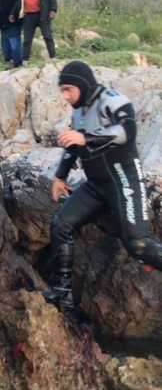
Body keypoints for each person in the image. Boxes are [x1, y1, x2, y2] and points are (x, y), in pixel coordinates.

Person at [44, 61, 162, 308]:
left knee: (138, 245)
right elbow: (73, 147)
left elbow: (128, 130)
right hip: (96, 186)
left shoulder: (113, 100)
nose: (65, 96)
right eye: (62, 91)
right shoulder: (78, 110)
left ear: (82, 85)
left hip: (124, 181)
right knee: (61, 225)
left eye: (68, 90)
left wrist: (85, 137)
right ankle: (62, 292)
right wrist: (59, 178)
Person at [8, 0, 57, 66]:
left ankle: (53, 60)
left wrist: (53, 10)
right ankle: (25, 63)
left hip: (43, 14)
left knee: (48, 37)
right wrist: (13, 13)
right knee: (27, 41)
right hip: (28, 15)